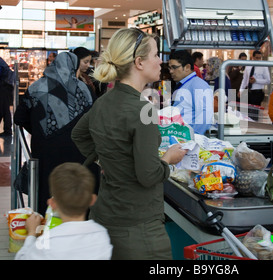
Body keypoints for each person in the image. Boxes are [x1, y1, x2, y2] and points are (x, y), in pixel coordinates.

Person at [71, 28, 187, 260]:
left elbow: (79, 134)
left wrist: (107, 159)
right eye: (156, 55)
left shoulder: (104, 101)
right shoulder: (143, 109)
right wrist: (168, 159)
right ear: (139, 62)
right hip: (138, 228)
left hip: (104, 215)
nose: (160, 61)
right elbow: (148, 175)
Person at [13, 52, 95, 215]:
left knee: (46, 190)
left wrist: (38, 130)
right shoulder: (84, 89)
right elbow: (93, 121)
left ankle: (44, 226)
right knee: (76, 192)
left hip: (45, 152)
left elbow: (19, 117)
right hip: (78, 153)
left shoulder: (36, 88)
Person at [15, 162, 112, 260]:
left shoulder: (47, 242)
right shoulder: (102, 235)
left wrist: (32, 233)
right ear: (93, 200)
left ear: (52, 203)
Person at [169, 50, 214, 135]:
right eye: (170, 68)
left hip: (188, 139)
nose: (171, 71)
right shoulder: (184, 84)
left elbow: (205, 116)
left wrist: (193, 138)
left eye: (174, 67)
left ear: (187, 67)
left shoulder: (198, 85)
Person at [0, 57, 14, 137]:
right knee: (5, 109)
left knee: (3, 108)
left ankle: (8, 130)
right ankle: (7, 130)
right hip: (6, 86)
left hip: (4, 86)